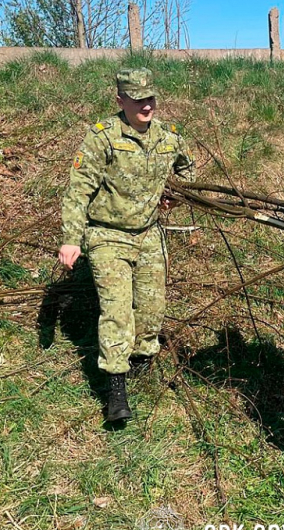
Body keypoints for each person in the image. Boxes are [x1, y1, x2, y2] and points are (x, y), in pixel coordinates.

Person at [58, 67, 195, 422]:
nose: (146, 106)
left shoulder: (169, 137)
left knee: (151, 310)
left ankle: (141, 362)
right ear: (121, 100)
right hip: (108, 235)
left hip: (149, 234)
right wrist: (71, 239)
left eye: (150, 98)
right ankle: (115, 390)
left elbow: (187, 170)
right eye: (137, 100)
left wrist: (174, 195)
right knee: (117, 311)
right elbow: (78, 189)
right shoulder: (102, 136)